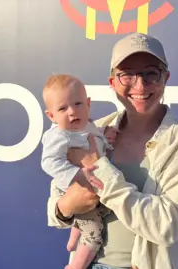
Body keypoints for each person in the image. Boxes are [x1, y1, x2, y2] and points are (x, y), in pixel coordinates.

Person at [47, 32, 178, 269]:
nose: (140, 85)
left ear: (165, 78)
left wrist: (102, 172)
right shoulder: (96, 130)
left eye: (151, 74)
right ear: (112, 82)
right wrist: (67, 206)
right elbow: (56, 208)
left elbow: (168, 225)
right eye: (127, 75)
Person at [40, 74, 118, 269]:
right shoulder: (59, 135)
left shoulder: (89, 125)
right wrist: (77, 175)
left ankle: (73, 240)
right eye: (62, 108)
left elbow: (97, 148)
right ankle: (77, 266)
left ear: (88, 103)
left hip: (92, 191)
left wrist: (107, 139)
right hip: (74, 190)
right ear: (51, 116)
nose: (72, 112)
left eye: (78, 104)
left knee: (100, 213)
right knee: (94, 235)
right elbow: (49, 162)